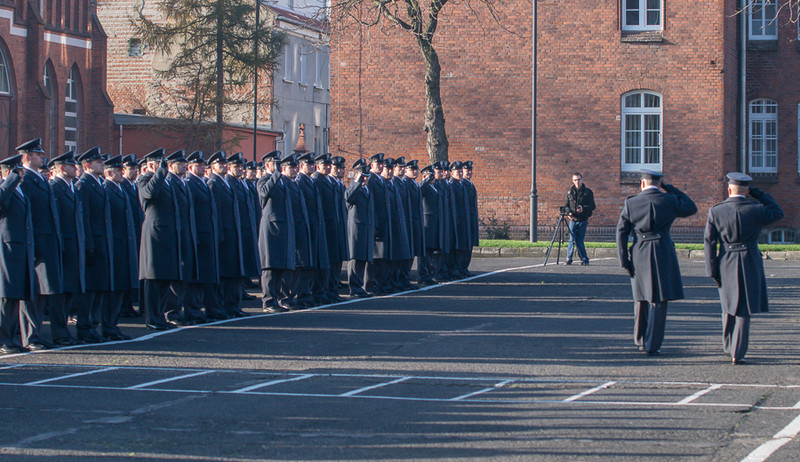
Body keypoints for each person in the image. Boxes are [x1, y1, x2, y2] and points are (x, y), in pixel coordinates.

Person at [704, 173, 784, 364]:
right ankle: (737, 352)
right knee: (744, 307)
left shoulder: (716, 211)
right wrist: (759, 194)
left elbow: (709, 242)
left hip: (726, 259)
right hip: (749, 259)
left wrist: (711, 269)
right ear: (747, 191)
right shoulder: (756, 209)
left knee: (728, 304)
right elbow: (778, 212)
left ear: (729, 189)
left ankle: (728, 345)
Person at [616, 169, 697, 356]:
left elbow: (621, 232)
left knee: (641, 296)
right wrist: (671, 189)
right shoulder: (669, 200)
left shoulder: (632, 202)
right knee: (659, 299)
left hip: (640, 250)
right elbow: (691, 207)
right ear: (659, 184)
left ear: (642, 184)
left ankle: (641, 338)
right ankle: (653, 343)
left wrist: (624, 260)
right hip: (662, 249)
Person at [18, 138, 62, 350]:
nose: (43, 157)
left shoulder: (39, 179)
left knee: (43, 290)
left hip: (46, 241)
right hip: (35, 242)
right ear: (28, 157)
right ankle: (30, 335)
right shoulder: (26, 180)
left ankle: (36, 333)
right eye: (38, 154)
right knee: (32, 291)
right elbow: (26, 215)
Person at [76, 147, 115, 343]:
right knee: (90, 289)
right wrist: (88, 246)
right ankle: (85, 327)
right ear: (88, 165)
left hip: (102, 242)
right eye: (99, 162)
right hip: (93, 243)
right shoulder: (84, 185)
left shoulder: (98, 184)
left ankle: (93, 325)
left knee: (99, 287)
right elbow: (84, 219)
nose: (102, 164)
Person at [48, 151, 84, 346]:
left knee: (70, 290)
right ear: (62, 168)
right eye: (71, 166)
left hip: (74, 245)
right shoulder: (55, 187)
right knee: (60, 294)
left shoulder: (71, 187)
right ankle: (59, 332)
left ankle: (65, 332)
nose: (75, 168)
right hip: (63, 246)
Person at [0, 155, 34, 354]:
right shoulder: (6, 188)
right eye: (16, 171)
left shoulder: (19, 190)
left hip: (19, 249)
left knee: (13, 296)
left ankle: (10, 338)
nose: (20, 175)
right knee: (5, 296)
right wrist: (10, 179)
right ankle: (3, 339)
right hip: (6, 248)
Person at [101, 155, 137, 340]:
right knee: (112, 290)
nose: (121, 173)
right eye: (117, 170)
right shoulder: (106, 189)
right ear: (108, 173)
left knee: (120, 288)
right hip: (114, 245)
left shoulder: (119, 188)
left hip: (123, 244)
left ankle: (113, 326)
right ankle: (108, 326)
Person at [184, 151, 221, 323]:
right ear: (190, 167)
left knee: (206, 274)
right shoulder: (190, 184)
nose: (201, 168)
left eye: (202, 165)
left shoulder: (203, 183)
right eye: (197, 165)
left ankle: (202, 309)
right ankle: (193, 310)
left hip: (207, 234)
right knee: (196, 276)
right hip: (197, 234)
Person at [257, 150, 296, 312]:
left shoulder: (281, 182)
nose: (279, 167)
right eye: (276, 164)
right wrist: (275, 175)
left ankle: (279, 298)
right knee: (270, 267)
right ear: (267, 165)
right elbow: (264, 193)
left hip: (283, 229)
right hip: (271, 230)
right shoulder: (265, 180)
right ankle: (268, 301)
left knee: (281, 266)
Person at [345, 159, 374, 298]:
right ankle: (354, 287)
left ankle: (360, 286)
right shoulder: (353, 187)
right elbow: (348, 198)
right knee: (355, 258)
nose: (366, 179)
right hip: (356, 227)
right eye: (363, 176)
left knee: (363, 257)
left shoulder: (367, 188)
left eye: (367, 176)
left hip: (366, 227)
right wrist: (357, 182)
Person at [564, 172, 595, 266]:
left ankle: (584, 258)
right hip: (573, 219)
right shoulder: (570, 192)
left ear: (582, 179)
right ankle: (569, 258)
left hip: (583, 219)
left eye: (579, 179)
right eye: (575, 180)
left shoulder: (588, 192)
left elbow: (592, 206)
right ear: (572, 181)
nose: (577, 181)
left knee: (579, 240)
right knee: (571, 239)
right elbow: (566, 205)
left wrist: (583, 208)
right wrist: (568, 212)